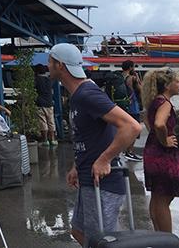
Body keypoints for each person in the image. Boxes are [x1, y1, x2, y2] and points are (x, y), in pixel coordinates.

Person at [49, 43, 141, 246]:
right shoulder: (77, 96)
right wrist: (76, 165)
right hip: (88, 179)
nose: (48, 66)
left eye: (50, 62)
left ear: (60, 66)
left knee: (100, 242)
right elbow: (88, 134)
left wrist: (105, 159)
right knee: (79, 231)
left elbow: (131, 127)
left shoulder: (87, 94)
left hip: (104, 183)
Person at [142, 67, 179, 233]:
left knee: (157, 198)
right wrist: (164, 140)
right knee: (164, 198)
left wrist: (156, 136)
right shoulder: (165, 103)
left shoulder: (155, 101)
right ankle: (167, 241)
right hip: (162, 155)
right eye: (177, 81)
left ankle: (159, 237)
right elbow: (159, 124)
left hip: (152, 152)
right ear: (168, 85)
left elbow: (147, 119)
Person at [121, 60, 143, 161]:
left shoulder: (120, 77)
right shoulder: (132, 78)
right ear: (130, 67)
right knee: (135, 129)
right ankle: (129, 151)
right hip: (133, 107)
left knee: (127, 129)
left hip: (123, 106)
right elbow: (141, 89)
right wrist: (138, 79)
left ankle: (125, 151)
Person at [34, 64, 57, 146]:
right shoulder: (49, 80)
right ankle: (53, 139)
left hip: (40, 103)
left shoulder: (36, 80)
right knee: (51, 121)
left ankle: (45, 140)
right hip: (49, 103)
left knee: (42, 122)